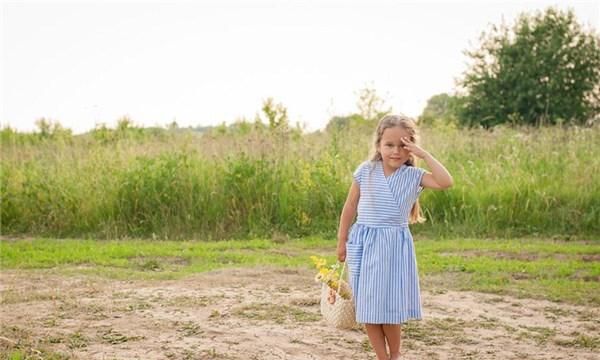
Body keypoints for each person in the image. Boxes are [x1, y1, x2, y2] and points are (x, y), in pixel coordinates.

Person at [336, 114, 453, 360]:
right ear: (378, 144)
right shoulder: (365, 171)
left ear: (411, 147)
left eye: (403, 145)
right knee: (367, 306)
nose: (396, 151)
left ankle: (395, 354)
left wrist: (425, 155)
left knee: (389, 307)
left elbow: (446, 181)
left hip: (392, 248)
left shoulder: (414, 176)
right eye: (389, 145)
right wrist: (341, 240)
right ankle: (382, 357)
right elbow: (349, 207)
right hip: (363, 244)